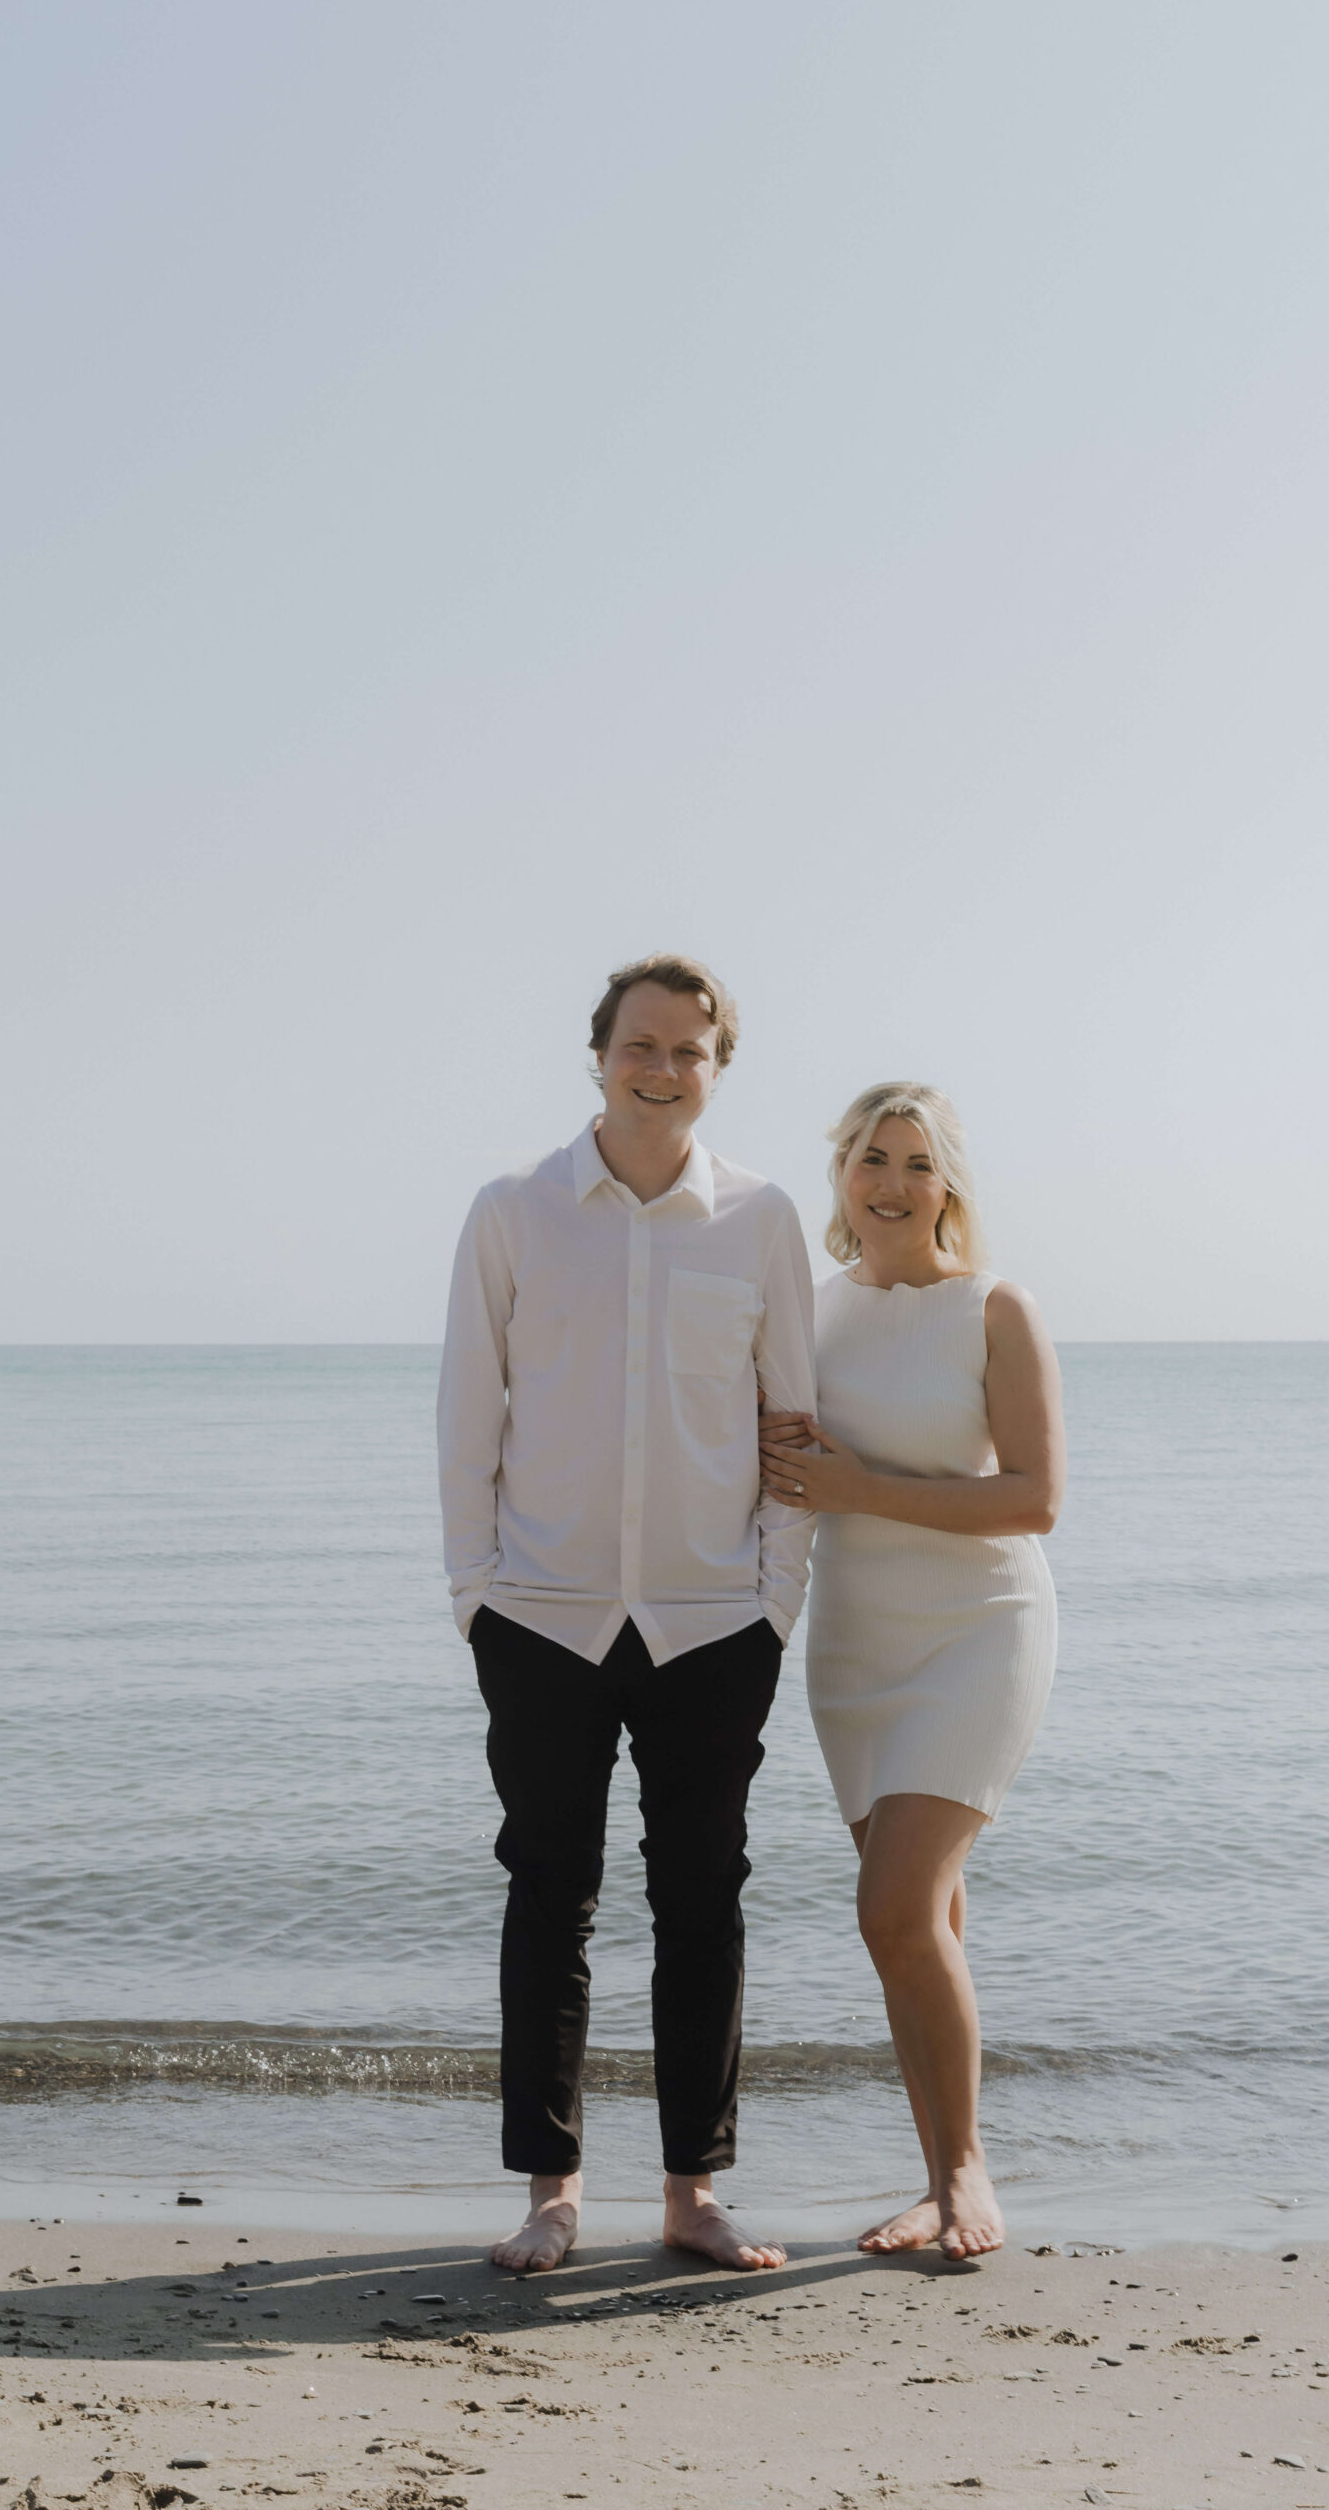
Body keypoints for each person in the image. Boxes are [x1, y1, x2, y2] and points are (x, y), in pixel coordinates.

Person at [437, 953, 816, 2275]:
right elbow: (465, 1415)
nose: (661, 1069)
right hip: (538, 1615)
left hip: (713, 1622)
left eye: (688, 1052)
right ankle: (550, 2192)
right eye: (638, 1045)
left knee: (700, 1900)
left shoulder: (758, 1220)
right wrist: (474, 1592)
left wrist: (775, 1598)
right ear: (596, 1053)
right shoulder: (513, 1211)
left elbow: (789, 1422)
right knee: (548, 1895)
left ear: (716, 1070)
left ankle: (691, 2194)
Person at [759, 1082, 1063, 2263]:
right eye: (869, 1159)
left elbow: (1033, 1498)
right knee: (920, 1921)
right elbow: (772, 1453)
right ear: (840, 1174)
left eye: (916, 1163)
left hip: (979, 1628)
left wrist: (857, 1489)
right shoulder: (812, 1313)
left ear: (950, 1186)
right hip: (855, 1645)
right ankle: (939, 2179)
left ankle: (966, 2175)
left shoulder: (995, 1307)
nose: (890, 1184)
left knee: (892, 1908)